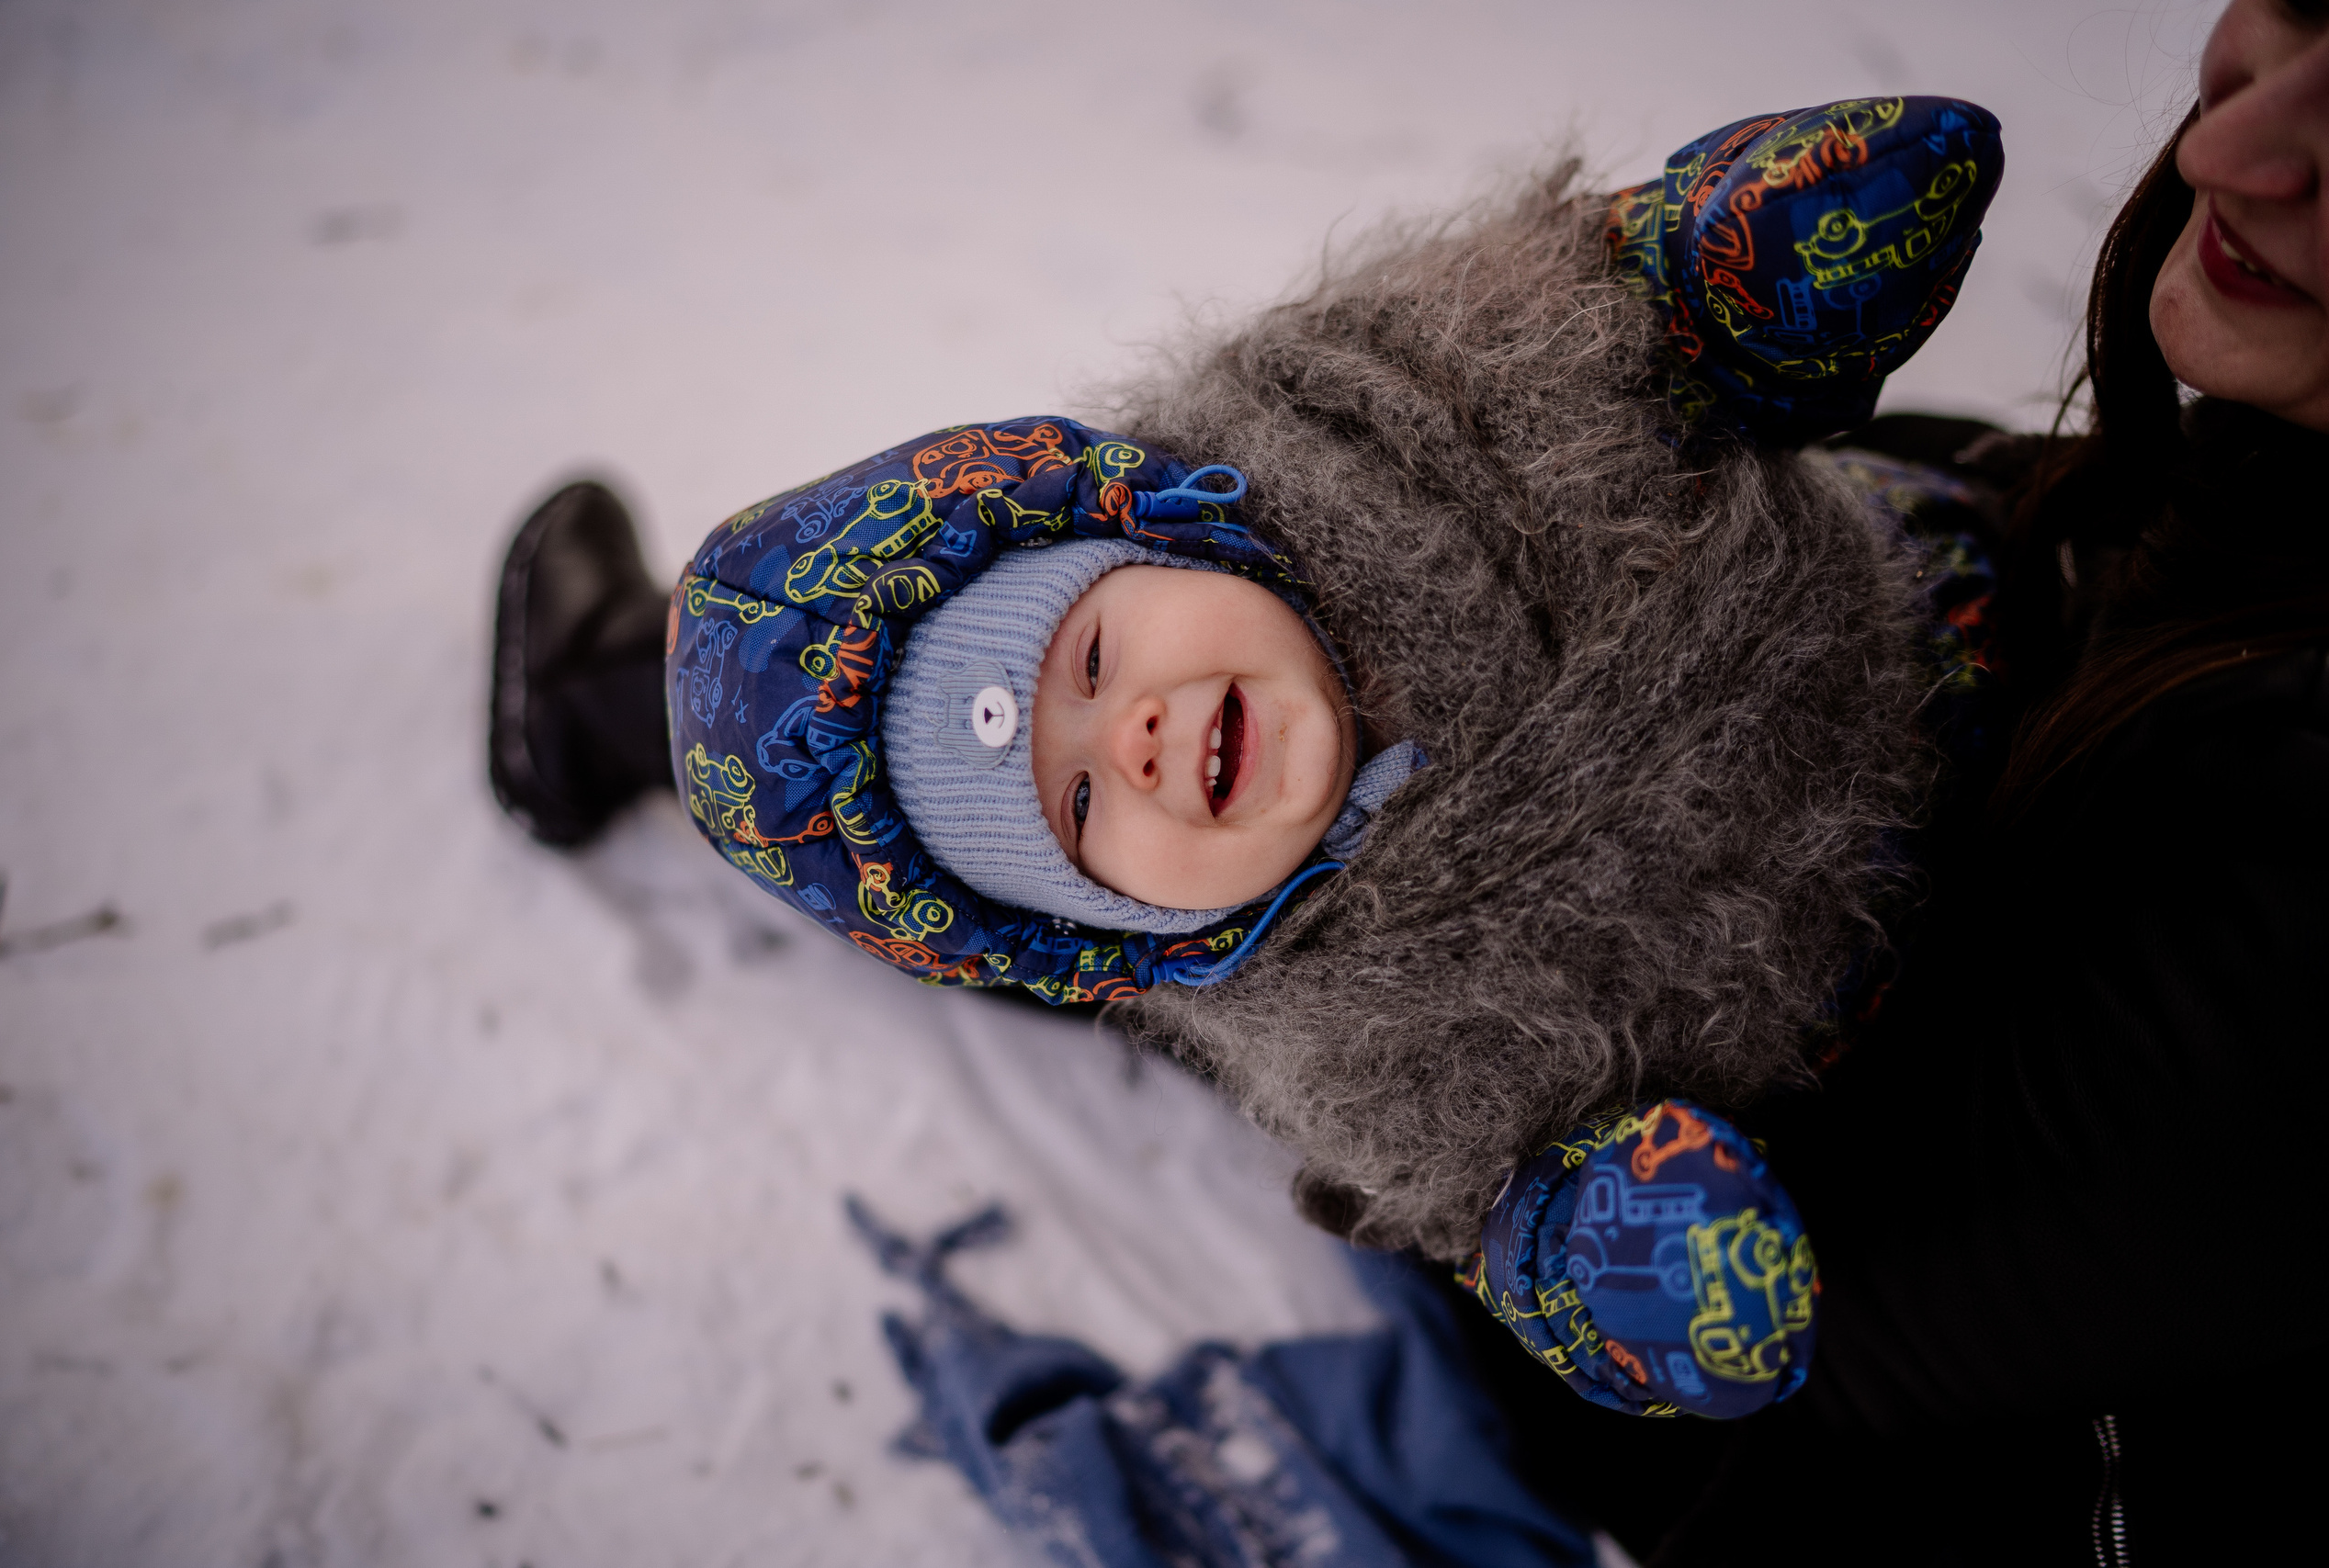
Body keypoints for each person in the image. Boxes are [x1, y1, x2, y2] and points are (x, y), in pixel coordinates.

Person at [491, 100, 2007, 1424]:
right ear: (1122, 930)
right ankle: (602, 698)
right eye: (1076, 805)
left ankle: (624, 677)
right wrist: (1604, 1246)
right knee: (1071, 938)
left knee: (960, 846)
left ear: (1157, 528)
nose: (1130, 737)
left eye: (1091, 661)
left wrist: (1723, 283)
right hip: (1880, 982)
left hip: (1922, 584)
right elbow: (1486, 1188)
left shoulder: (1384, 413)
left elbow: (1599, 309)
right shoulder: (1365, 1038)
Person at [1462, 5, 2329, 1562]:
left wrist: (1303, 946)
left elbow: (1787, 1326)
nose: (2230, 146)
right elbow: (2030, 546)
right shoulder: (2265, 477)